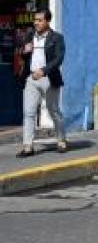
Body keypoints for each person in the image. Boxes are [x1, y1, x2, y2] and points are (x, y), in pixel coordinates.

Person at [16, 9, 66, 157]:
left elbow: (59, 59)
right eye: (35, 20)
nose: (36, 23)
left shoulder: (57, 38)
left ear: (47, 21)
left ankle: (61, 139)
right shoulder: (30, 36)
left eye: (39, 20)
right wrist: (24, 51)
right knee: (29, 112)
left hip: (48, 78)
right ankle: (28, 146)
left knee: (54, 111)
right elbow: (22, 55)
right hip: (31, 78)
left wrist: (44, 71)